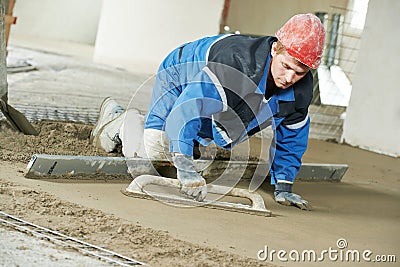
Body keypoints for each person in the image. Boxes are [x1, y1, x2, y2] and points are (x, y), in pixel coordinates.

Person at [91, 13, 326, 210]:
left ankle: (188, 143)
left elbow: (292, 138)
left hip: (221, 99)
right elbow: (189, 108)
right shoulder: (233, 63)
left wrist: (284, 185)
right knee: (152, 157)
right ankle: (121, 120)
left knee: (212, 142)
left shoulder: (300, 93)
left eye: (299, 73)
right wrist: (184, 166)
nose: (289, 78)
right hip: (182, 73)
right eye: (285, 67)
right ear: (275, 49)